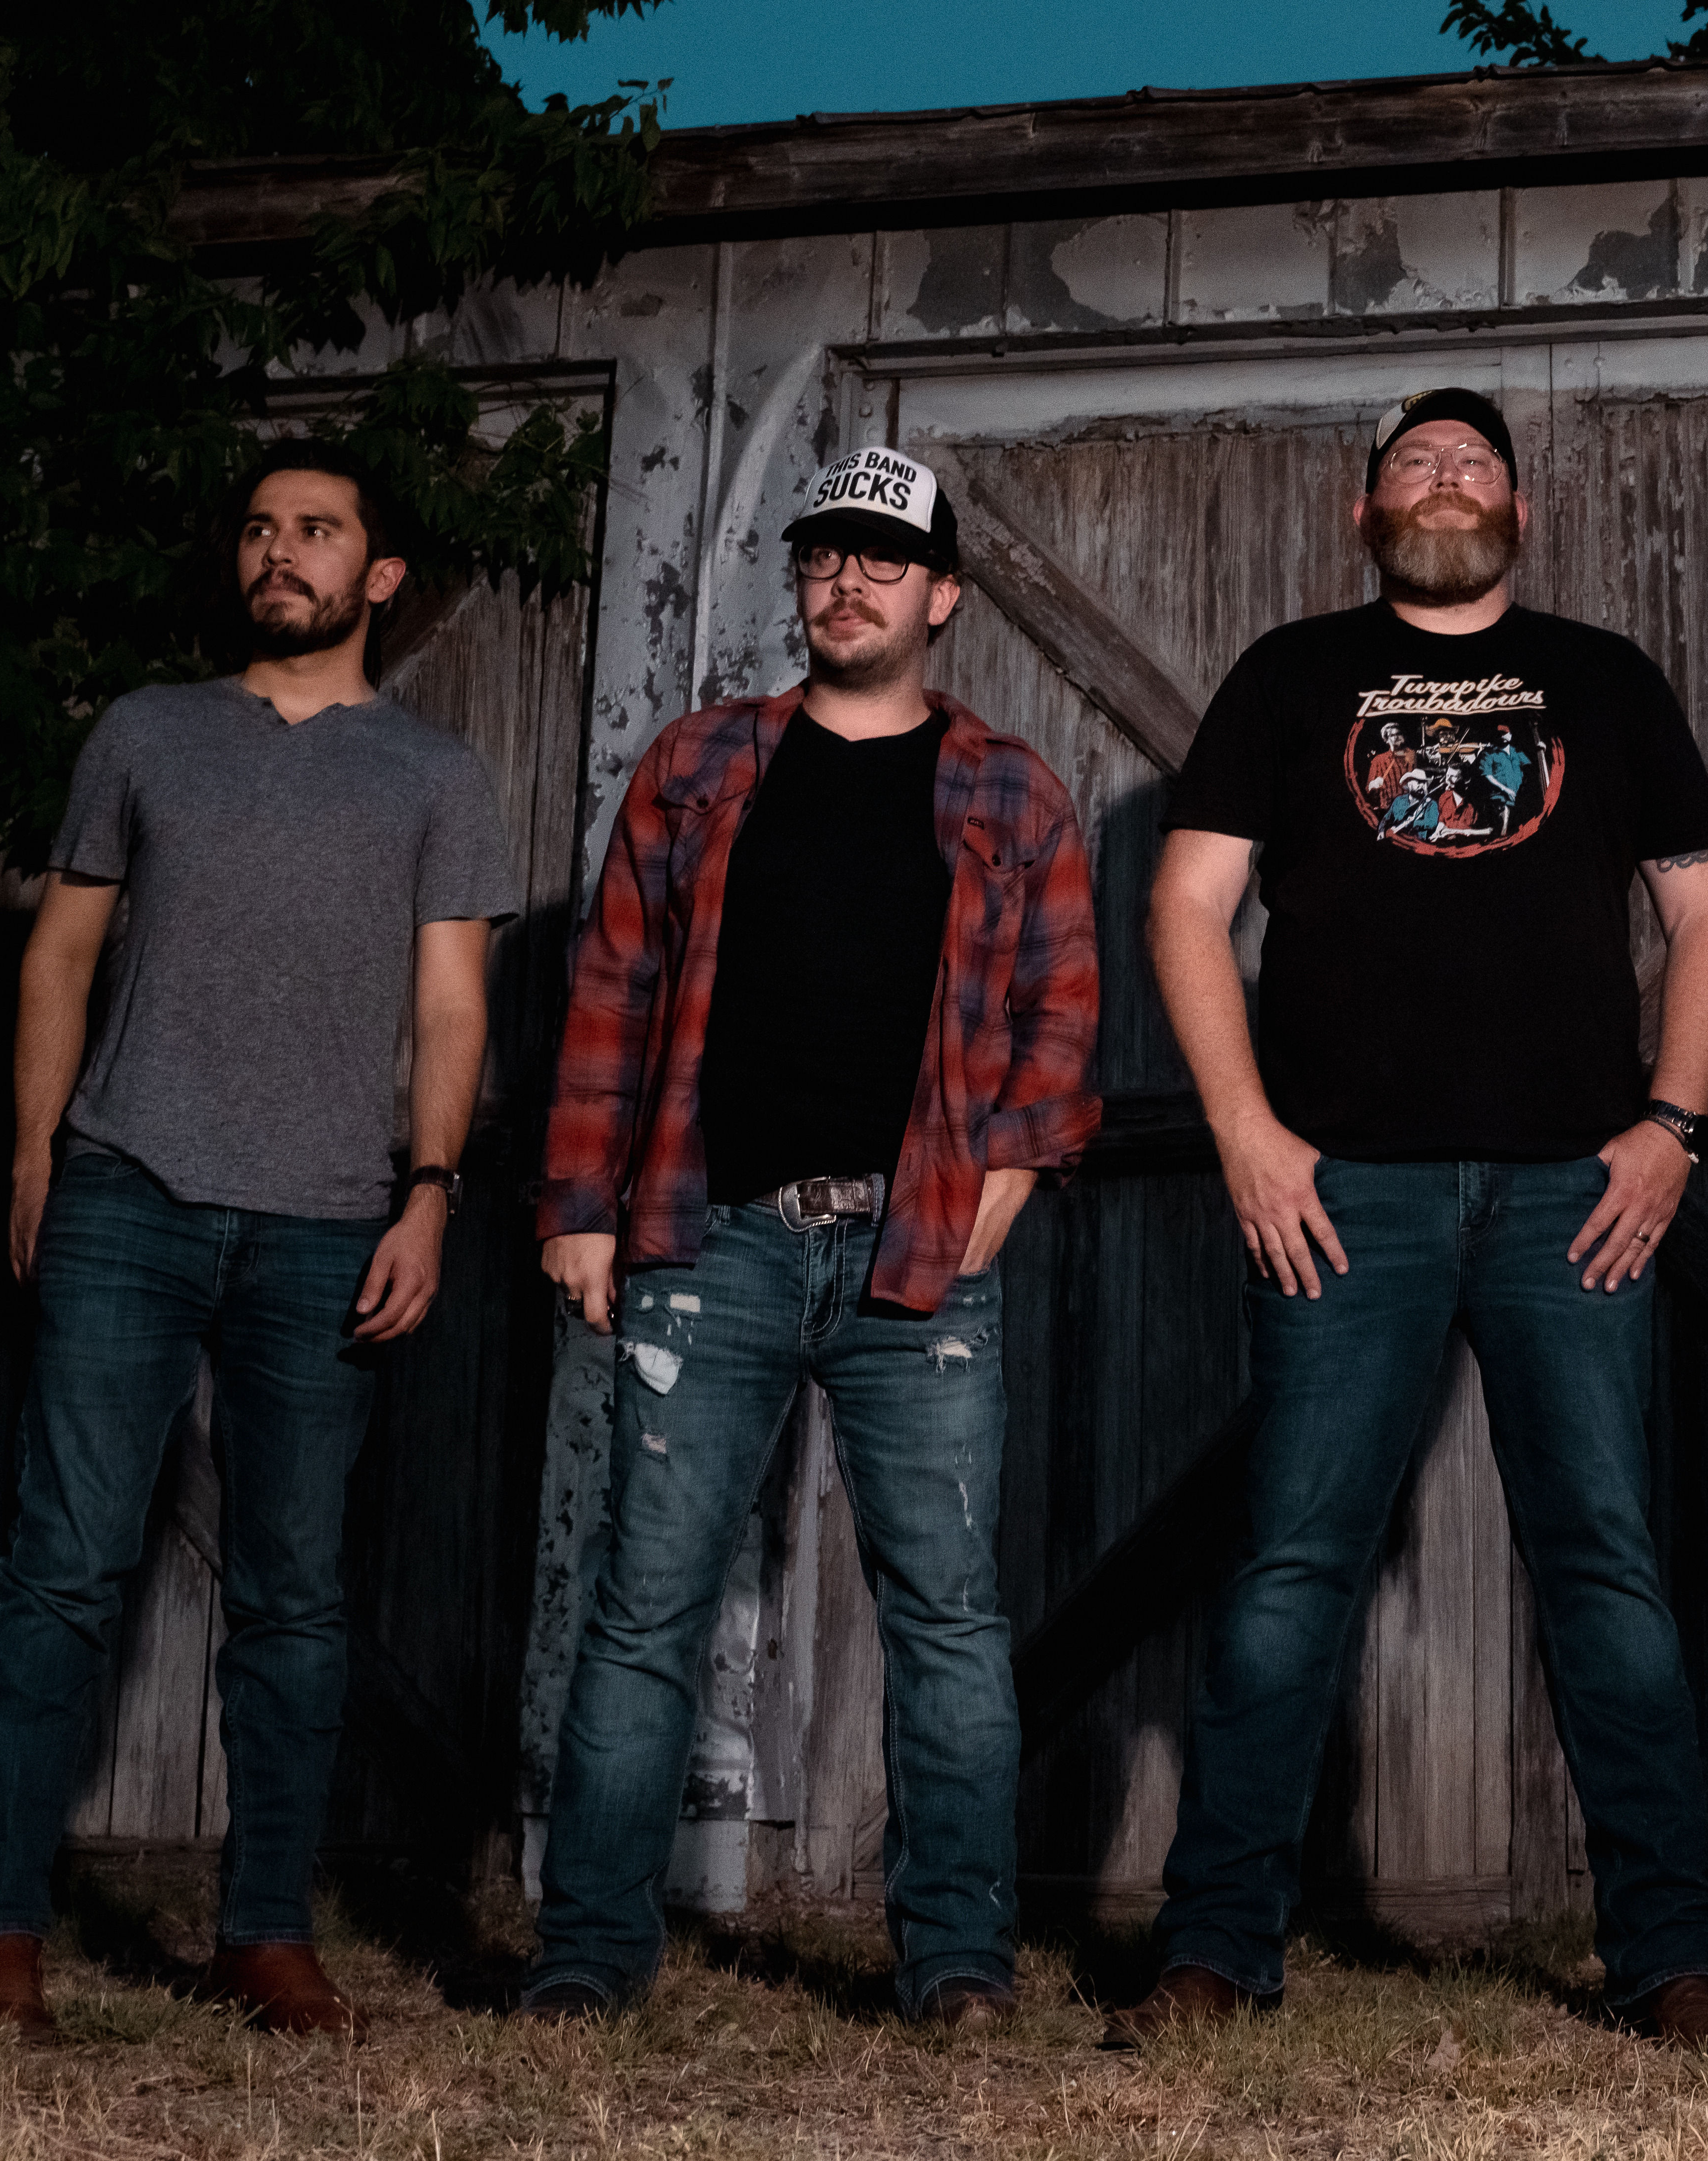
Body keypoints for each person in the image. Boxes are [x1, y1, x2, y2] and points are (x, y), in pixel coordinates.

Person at [1115, 388, 1708, 2055]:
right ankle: (1214, 1947)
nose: (1445, 479)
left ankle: (1670, 1959)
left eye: (1474, 462)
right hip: (1344, 1191)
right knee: (1289, 1572)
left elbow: (1705, 910)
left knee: (1605, 1570)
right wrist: (1246, 1131)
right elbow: (1185, 905)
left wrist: (1672, 1129)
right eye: (1413, 460)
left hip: (1572, 1192)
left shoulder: (1605, 680)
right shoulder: (1286, 675)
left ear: (1520, 514)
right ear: (1364, 513)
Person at [0, 442, 517, 2042]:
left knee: (291, 1593)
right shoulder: (146, 732)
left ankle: (266, 1932)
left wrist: (431, 1187)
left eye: (318, 530)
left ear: (377, 578)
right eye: (262, 529)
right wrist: (36, 1150)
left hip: (331, 1213)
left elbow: (453, 1002)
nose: (283, 553)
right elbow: (59, 953)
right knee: (59, 1568)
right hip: (128, 1187)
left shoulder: (433, 776)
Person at [520, 447, 1100, 2028]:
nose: (845, 581)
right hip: (710, 1240)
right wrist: (579, 1210)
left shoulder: (1008, 786)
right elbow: (611, 990)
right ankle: (586, 1958)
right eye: (824, 555)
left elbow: (1059, 1019)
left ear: (942, 595)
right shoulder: (702, 764)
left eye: (881, 558)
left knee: (949, 1611)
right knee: (644, 1604)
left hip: (919, 1253)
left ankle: (958, 1965)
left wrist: (1007, 1191)